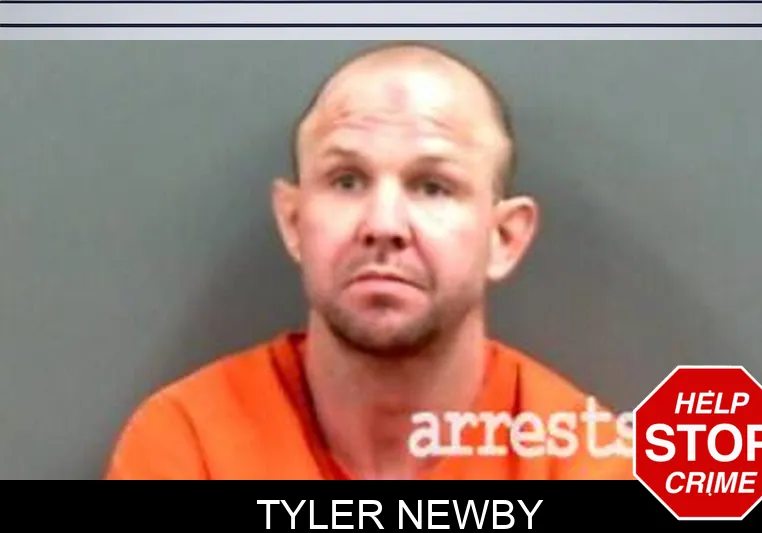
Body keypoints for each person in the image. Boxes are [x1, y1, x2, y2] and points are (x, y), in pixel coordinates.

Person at [105, 42, 633, 480]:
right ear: (293, 221)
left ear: (504, 238)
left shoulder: (580, 462)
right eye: (347, 181)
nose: (383, 224)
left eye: (432, 186)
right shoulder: (189, 441)